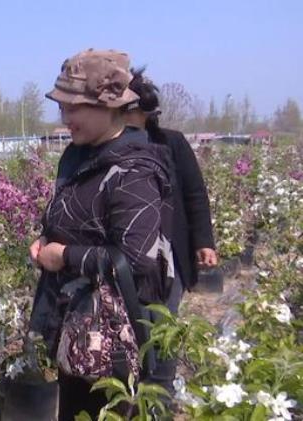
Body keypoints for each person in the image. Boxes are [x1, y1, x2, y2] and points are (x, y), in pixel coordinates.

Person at [28, 49, 175, 419]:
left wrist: (63, 256)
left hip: (111, 337)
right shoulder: (77, 156)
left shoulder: (135, 170)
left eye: (73, 108)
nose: (65, 117)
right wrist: (45, 241)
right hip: (71, 323)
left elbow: (135, 258)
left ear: (108, 105)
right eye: (62, 107)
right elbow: (67, 219)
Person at [125, 68, 218, 396]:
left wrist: (203, 241)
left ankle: (160, 398)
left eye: (136, 111)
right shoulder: (109, 147)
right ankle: (132, 397)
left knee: (163, 325)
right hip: (127, 259)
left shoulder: (171, 142)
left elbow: (194, 193)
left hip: (168, 255)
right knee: (131, 331)